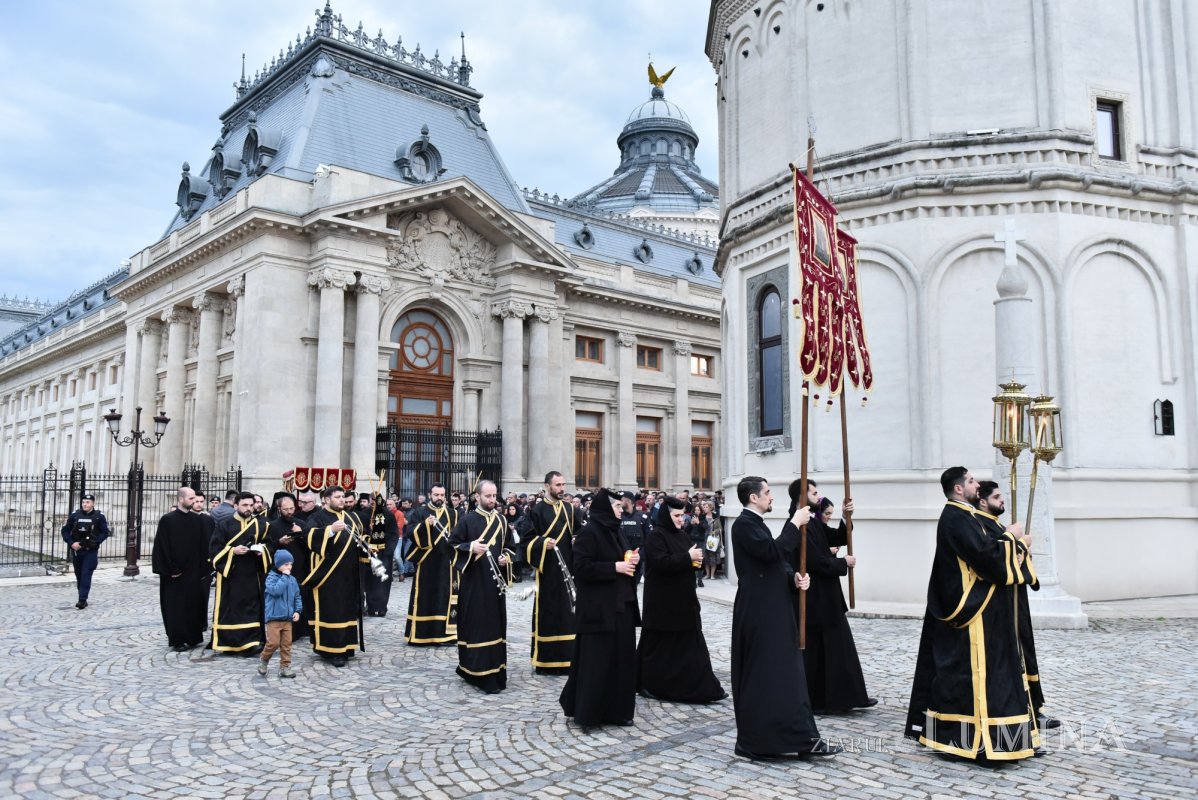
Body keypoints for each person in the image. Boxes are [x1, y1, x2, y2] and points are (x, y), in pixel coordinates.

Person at [904, 467, 1039, 761]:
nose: (976, 484)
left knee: (989, 676)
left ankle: (1002, 739)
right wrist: (1013, 538)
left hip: (985, 610)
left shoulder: (965, 516)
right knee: (971, 678)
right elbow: (985, 557)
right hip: (970, 610)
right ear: (958, 489)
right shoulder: (955, 518)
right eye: (971, 481)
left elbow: (985, 551)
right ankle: (972, 743)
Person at [730, 476, 840, 759]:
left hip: (774, 608)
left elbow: (777, 563)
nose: (771, 497)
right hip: (759, 612)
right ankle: (762, 741)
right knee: (767, 675)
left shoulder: (757, 524)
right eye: (767, 493)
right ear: (753, 497)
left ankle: (800, 737)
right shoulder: (743, 524)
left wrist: (794, 579)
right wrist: (794, 523)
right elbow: (771, 552)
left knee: (787, 675)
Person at [784, 481, 875, 713]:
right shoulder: (799, 525)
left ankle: (846, 697)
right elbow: (814, 562)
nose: (818, 495)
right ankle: (825, 700)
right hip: (815, 599)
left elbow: (837, 538)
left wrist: (846, 517)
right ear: (802, 495)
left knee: (837, 649)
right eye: (814, 492)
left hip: (827, 597)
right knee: (821, 651)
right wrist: (842, 562)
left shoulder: (813, 521)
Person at [974, 480, 1058, 731]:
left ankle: (1035, 707)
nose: (1002, 501)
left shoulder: (996, 525)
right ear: (982, 501)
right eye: (997, 497)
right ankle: (1026, 712)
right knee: (1015, 658)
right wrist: (1021, 543)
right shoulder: (980, 527)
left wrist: (1021, 548)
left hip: (1015, 600)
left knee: (1027, 653)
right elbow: (994, 560)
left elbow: (1014, 559)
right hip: (1001, 605)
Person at [559, 488, 641, 729]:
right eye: (617, 507)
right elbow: (582, 568)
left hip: (622, 606)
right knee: (597, 662)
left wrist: (632, 560)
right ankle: (590, 713)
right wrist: (614, 567)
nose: (621, 510)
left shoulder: (617, 531)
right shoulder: (589, 533)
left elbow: (623, 559)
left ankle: (618, 711)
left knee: (622, 660)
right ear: (606, 508)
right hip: (598, 610)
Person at [637, 497, 726, 704]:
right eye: (676, 516)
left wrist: (696, 561)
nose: (680, 519)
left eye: (681, 515)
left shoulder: (683, 536)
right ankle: (648, 684)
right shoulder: (655, 536)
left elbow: (690, 561)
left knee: (690, 650)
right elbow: (661, 563)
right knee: (657, 651)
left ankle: (704, 688)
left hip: (684, 603)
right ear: (666, 516)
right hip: (662, 605)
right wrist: (688, 558)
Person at [448, 480, 513, 693]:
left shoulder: (502, 521)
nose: (492, 500)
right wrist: (470, 547)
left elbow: (511, 548)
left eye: (494, 496)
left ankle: (496, 669)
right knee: (476, 626)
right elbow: (451, 547)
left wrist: (506, 558)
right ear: (477, 497)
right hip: (474, 584)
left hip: (494, 586)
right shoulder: (467, 521)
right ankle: (473, 670)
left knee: (495, 625)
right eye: (488, 496)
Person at [303, 486, 367, 667]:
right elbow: (308, 537)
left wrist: (367, 548)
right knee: (332, 610)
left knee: (347, 609)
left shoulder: (351, 517)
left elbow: (359, 538)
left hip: (349, 573)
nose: (341, 500)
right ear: (326, 499)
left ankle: (347, 645)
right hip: (328, 574)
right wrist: (330, 530)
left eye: (343, 497)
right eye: (337, 497)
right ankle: (332, 649)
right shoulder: (317, 517)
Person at [524, 471, 579, 674]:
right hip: (547, 571)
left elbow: (581, 531)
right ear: (547, 486)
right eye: (557, 485)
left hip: (568, 570)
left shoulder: (570, 510)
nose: (562, 488)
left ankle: (569, 658)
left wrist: (577, 539)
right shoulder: (536, 511)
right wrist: (543, 543)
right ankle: (546, 660)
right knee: (548, 611)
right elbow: (527, 540)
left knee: (569, 614)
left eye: (563, 484)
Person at [209, 492, 270, 653]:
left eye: (251, 505)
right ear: (235, 506)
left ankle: (251, 642)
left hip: (251, 573)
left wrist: (261, 551)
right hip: (231, 573)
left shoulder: (260, 525)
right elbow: (215, 549)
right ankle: (229, 643)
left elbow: (270, 545)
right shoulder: (224, 525)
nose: (249, 508)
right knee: (230, 608)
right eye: (245, 505)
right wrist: (232, 551)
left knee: (252, 607)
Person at [151, 487, 210, 651]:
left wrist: (203, 568)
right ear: (181, 499)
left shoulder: (197, 520)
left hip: (193, 572)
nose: (194, 502)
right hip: (174, 574)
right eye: (191, 498)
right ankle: (177, 640)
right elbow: (162, 547)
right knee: (175, 607)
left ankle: (193, 637)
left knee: (193, 605)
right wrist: (171, 569)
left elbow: (202, 546)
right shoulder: (168, 520)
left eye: (195, 498)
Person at [403, 484, 459, 646]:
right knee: (425, 597)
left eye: (442, 495)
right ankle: (422, 634)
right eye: (436, 495)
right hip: (426, 562)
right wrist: (425, 525)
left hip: (447, 563)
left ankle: (446, 635)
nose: (439, 498)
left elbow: (458, 535)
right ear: (430, 495)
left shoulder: (453, 514)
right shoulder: (420, 512)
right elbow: (410, 532)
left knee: (445, 596)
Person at [266, 494, 310, 639]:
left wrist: (301, 534)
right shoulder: (272, 526)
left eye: (292, 508)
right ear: (279, 509)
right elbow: (268, 547)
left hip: (299, 568)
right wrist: (280, 542)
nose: (290, 512)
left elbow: (311, 546)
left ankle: (300, 630)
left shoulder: (301, 524)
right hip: (280, 570)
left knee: (298, 597)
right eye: (286, 509)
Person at [60, 493, 110, 609]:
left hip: (90, 551)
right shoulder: (75, 515)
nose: (85, 504)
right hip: (77, 550)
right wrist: (71, 543)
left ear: (93, 503)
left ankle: (82, 600)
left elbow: (105, 532)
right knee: (79, 575)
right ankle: (82, 597)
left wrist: (96, 542)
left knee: (86, 573)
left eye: (87, 502)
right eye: (83, 502)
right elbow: (65, 531)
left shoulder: (99, 516)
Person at [259, 549, 302, 679]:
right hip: (274, 618)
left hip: (287, 618)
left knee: (286, 644)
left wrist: (297, 611)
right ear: (278, 564)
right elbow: (276, 591)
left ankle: (285, 667)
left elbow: (297, 596)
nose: (289, 567)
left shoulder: (292, 579)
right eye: (286, 564)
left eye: (291, 564)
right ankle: (264, 659)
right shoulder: (271, 578)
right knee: (273, 643)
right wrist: (284, 576)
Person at [364, 494, 399, 616]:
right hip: (368, 552)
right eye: (372, 500)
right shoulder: (365, 513)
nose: (374, 502)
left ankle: (382, 607)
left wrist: (388, 551)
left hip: (384, 553)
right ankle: (371, 607)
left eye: (376, 500)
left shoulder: (388, 514)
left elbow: (394, 534)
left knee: (383, 580)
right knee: (370, 581)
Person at [700, 501, 723, 582]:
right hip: (705, 539)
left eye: (706, 507)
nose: (704, 508)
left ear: (711, 508)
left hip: (714, 539)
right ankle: (707, 574)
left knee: (713, 557)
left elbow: (720, 528)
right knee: (706, 557)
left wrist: (715, 531)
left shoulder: (716, 516)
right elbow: (701, 528)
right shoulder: (702, 517)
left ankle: (712, 575)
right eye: (704, 507)